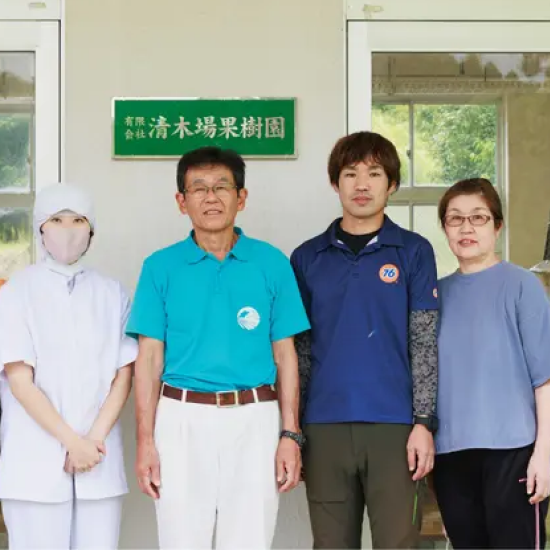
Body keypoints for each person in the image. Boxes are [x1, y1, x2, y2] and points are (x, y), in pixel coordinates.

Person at [126, 146, 310, 550]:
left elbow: (286, 356)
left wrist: (289, 434)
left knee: (249, 540)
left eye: (222, 187)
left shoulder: (271, 263)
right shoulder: (160, 267)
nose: (211, 197)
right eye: (199, 188)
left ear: (241, 198)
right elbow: (149, 359)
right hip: (181, 418)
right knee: (180, 540)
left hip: (256, 417)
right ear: (182, 201)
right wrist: (145, 441)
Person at [291, 131, 439, 549]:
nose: (361, 184)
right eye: (350, 173)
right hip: (324, 425)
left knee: (399, 542)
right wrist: (295, 429)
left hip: (395, 426)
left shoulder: (413, 251)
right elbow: (299, 351)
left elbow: (424, 341)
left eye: (374, 173)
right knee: (331, 544)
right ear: (334, 182)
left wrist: (424, 422)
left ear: (391, 184)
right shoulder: (306, 258)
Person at [0, 183, 136, 549]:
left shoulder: (112, 293)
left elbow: (123, 374)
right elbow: (20, 381)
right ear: (40, 227)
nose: (68, 230)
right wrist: (72, 442)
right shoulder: (15, 292)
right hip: (34, 462)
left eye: (78, 220)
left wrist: (92, 441)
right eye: (57, 220)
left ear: (92, 230)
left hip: (98, 459)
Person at [433, 178, 550, 549]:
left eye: (478, 217)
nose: (466, 227)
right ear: (445, 228)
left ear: (497, 226)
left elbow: (545, 380)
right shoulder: (435, 294)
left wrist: (545, 455)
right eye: (455, 218)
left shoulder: (523, 286)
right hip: (450, 454)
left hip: (515, 452)